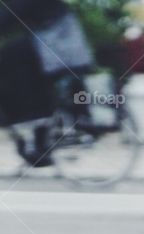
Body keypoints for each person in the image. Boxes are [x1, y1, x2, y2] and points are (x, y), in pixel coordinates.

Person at [0, 0, 92, 165]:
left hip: (57, 47)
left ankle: (34, 134)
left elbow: (10, 14)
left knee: (9, 61)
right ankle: (36, 141)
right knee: (17, 62)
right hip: (55, 44)